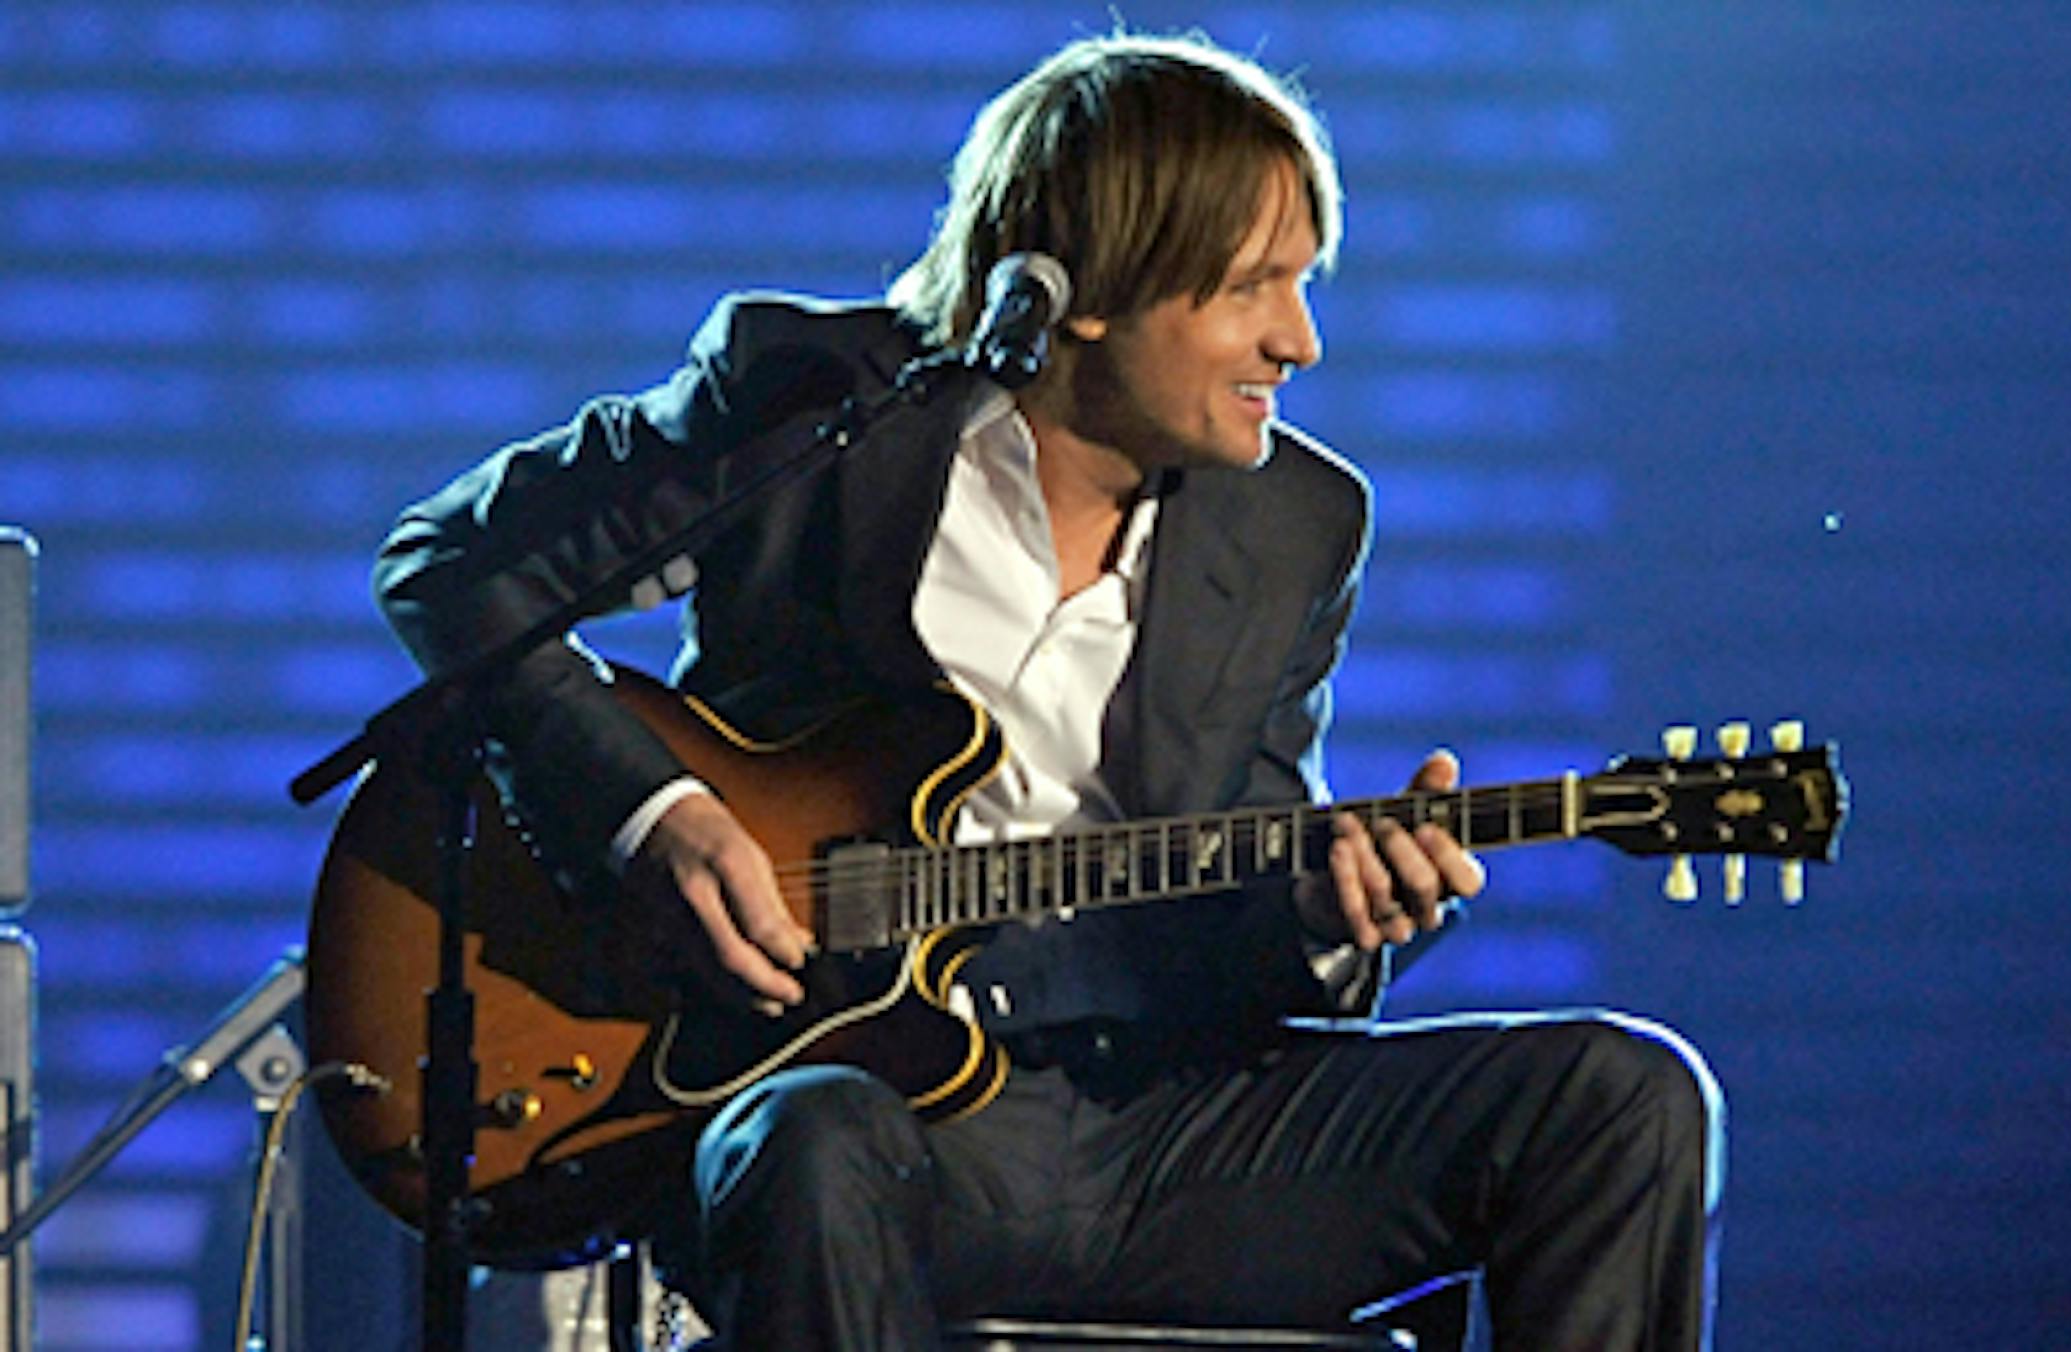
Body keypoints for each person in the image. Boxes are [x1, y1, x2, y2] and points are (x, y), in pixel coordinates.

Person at [373, 31, 1722, 1351]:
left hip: (1169, 1134)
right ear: (1086, 291)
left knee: (1623, 1098)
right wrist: (650, 812)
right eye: (1255, 287)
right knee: (814, 1139)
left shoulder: (1301, 522)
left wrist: (1326, 912)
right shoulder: (808, 403)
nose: (1300, 342)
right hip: (862, 1125)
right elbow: (453, 565)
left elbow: (1245, 909)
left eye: (1307, 285)